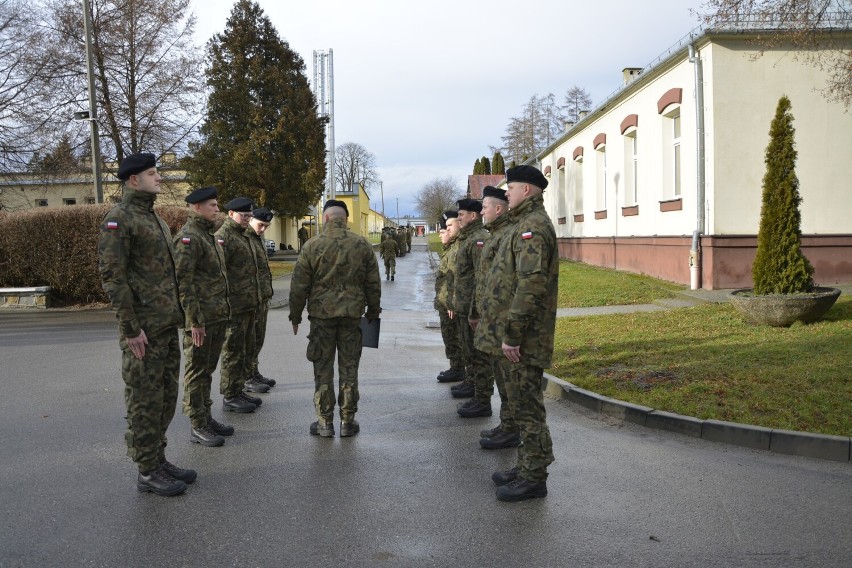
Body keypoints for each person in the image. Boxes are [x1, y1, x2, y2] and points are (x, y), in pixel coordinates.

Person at [98, 152, 195, 497]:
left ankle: (158, 457)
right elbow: (114, 277)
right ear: (133, 180)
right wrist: (130, 328)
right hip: (143, 331)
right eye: (153, 174)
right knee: (144, 401)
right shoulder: (119, 218)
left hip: (165, 325)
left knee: (166, 398)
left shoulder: (152, 218)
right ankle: (146, 470)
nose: (160, 179)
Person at [488, 165, 558, 502]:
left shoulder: (533, 227)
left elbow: (530, 286)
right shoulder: (523, 224)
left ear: (527, 190)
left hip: (526, 338)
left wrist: (513, 334)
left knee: (528, 408)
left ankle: (534, 478)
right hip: (519, 334)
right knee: (519, 404)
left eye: (511, 188)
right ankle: (526, 464)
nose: (507, 194)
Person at [289, 199, 381, 438]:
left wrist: (295, 315)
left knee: (323, 369)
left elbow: (299, 285)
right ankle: (348, 421)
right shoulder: (361, 245)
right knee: (349, 368)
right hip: (352, 317)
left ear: (326, 218)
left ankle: (324, 422)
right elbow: (373, 283)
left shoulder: (312, 245)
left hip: (321, 318)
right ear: (346, 218)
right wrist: (373, 313)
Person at [173, 186, 233, 448]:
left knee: (207, 370)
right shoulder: (188, 238)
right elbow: (183, 283)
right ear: (197, 207)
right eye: (212, 205)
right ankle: (197, 424)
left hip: (216, 316)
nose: (217, 209)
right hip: (200, 320)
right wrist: (194, 321)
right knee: (196, 372)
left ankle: (206, 417)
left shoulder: (208, 236)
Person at [472, 186, 520, 450]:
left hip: (504, 320)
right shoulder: (495, 234)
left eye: (485, 207)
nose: (482, 212)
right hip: (494, 319)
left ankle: (511, 429)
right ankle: (506, 424)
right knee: (502, 378)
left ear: (498, 208)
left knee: (509, 381)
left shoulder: (507, 235)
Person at [215, 196, 266, 415]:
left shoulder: (243, 236)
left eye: (248, 216)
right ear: (231, 214)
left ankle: (238, 390)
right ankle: (230, 395)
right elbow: (219, 274)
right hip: (234, 306)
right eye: (243, 216)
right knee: (232, 351)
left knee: (244, 350)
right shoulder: (223, 237)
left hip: (247, 304)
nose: (247, 219)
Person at [450, 198, 492, 417]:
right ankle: (472, 385)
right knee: (469, 351)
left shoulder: (479, 239)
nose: (459, 218)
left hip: (472, 309)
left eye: (462, 215)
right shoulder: (466, 238)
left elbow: (480, 277)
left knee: (479, 355)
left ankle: (482, 399)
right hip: (464, 306)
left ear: (473, 216)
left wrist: (475, 310)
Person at [246, 207, 277, 389]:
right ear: (251, 220)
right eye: (261, 225)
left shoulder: (257, 238)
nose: (263, 229)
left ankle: (253, 372)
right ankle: (246, 377)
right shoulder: (245, 237)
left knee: (258, 339)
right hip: (248, 299)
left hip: (261, 298)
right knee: (248, 342)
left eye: (266, 226)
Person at [434, 211, 464, 383]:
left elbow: (458, 277)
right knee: (450, 336)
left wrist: (452, 301)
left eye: (446, 228)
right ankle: (456, 367)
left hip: (451, 303)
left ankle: (459, 368)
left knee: (454, 337)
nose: (442, 232)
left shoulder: (458, 247)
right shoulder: (450, 248)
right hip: (446, 301)